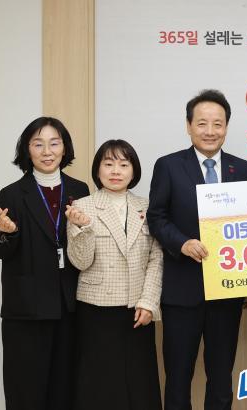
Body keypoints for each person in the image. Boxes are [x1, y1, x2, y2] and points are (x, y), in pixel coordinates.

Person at [147, 89, 247, 410]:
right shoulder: (168, 166)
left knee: (221, 378)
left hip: (227, 291)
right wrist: (182, 242)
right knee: (178, 378)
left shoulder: (243, 169)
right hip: (182, 290)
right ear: (189, 126)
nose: (210, 131)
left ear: (226, 127)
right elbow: (156, 217)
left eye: (217, 124)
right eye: (202, 123)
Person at [0, 117, 89, 410]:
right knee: (25, 390)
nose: (47, 151)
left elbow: (88, 244)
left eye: (54, 143)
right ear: (27, 150)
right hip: (26, 310)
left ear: (64, 148)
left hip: (69, 306)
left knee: (65, 389)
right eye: (38, 144)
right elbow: (0, 250)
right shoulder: (11, 194)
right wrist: (4, 233)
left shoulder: (80, 190)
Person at [66, 139, 163, 410]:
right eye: (108, 164)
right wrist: (82, 229)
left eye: (123, 164)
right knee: (100, 384)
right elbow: (80, 262)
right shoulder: (82, 206)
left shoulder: (147, 206)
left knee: (138, 384)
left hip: (137, 309)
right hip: (96, 309)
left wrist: (149, 302)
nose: (116, 171)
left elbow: (156, 257)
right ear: (98, 170)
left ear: (134, 170)